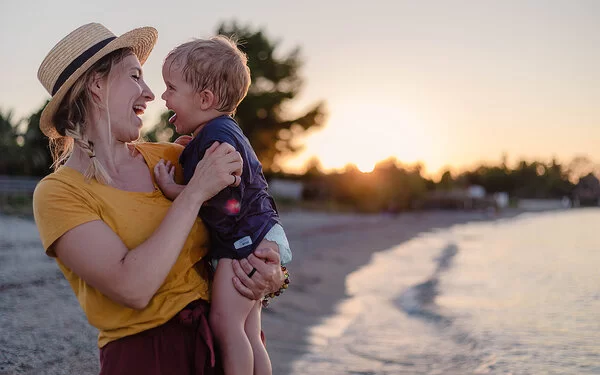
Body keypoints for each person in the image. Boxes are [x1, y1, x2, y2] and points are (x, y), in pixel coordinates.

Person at [32, 23, 286, 375]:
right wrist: (195, 192)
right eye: (135, 76)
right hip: (147, 359)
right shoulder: (60, 192)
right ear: (96, 85)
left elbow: (247, 207)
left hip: (221, 350)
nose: (151, 93)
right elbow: (133, 289)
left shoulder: (175, 157)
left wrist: (272, 273)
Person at [154, 36, 291, 375]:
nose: (164, 96)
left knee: (226, 325)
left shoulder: (217, 138)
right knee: (247, 330)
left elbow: (218, 188)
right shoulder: (222, 131)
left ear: (205, 99)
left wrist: (174, 189)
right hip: (260, 233)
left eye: (172, 88)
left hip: (242, 242)